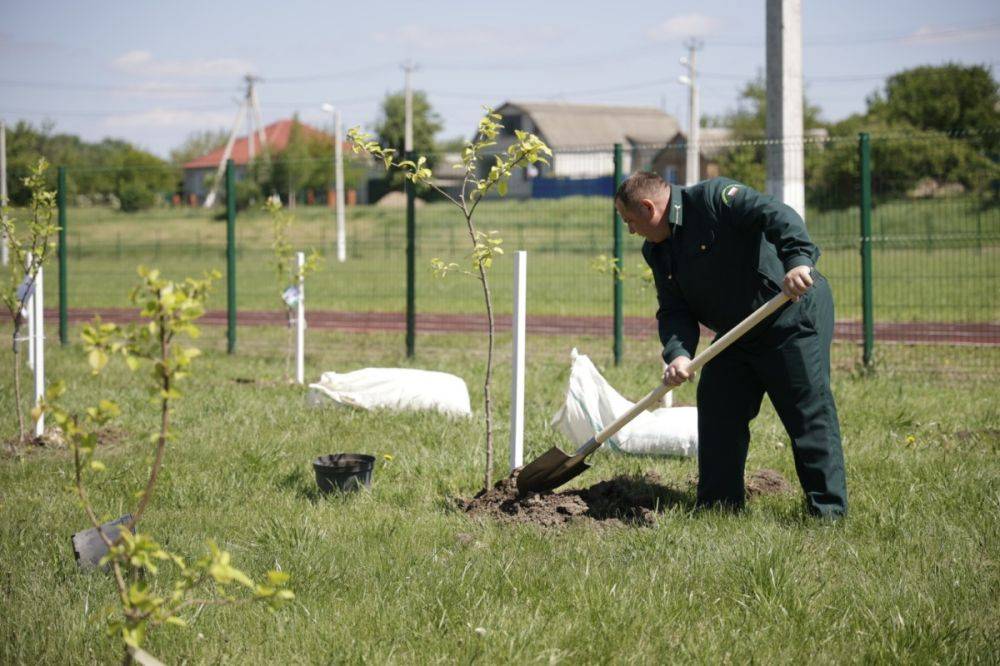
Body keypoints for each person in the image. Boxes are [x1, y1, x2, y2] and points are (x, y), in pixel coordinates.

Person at [614, 172, 847, 518]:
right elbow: (674, 309)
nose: (631, 231)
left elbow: (776, 214)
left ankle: (827, 512)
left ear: (649, 208)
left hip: (788, 313)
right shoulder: (657, 251)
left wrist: (798, 259)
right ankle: (719, 508)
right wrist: (678, 353)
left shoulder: (714, 199)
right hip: (736, 331)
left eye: (631, 221)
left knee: (805, 408)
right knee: (718, 404)